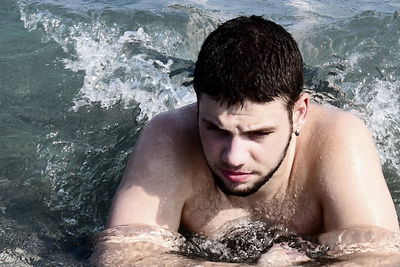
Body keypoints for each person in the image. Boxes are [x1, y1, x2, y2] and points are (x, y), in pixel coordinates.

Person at [103, 15, 399, 263]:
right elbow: (122, 257)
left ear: (298, 114)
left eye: (258, 133)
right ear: (196, 107)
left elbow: (381, 258)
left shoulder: (340, 138)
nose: (234, 156)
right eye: (216, 129)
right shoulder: (168, 136)